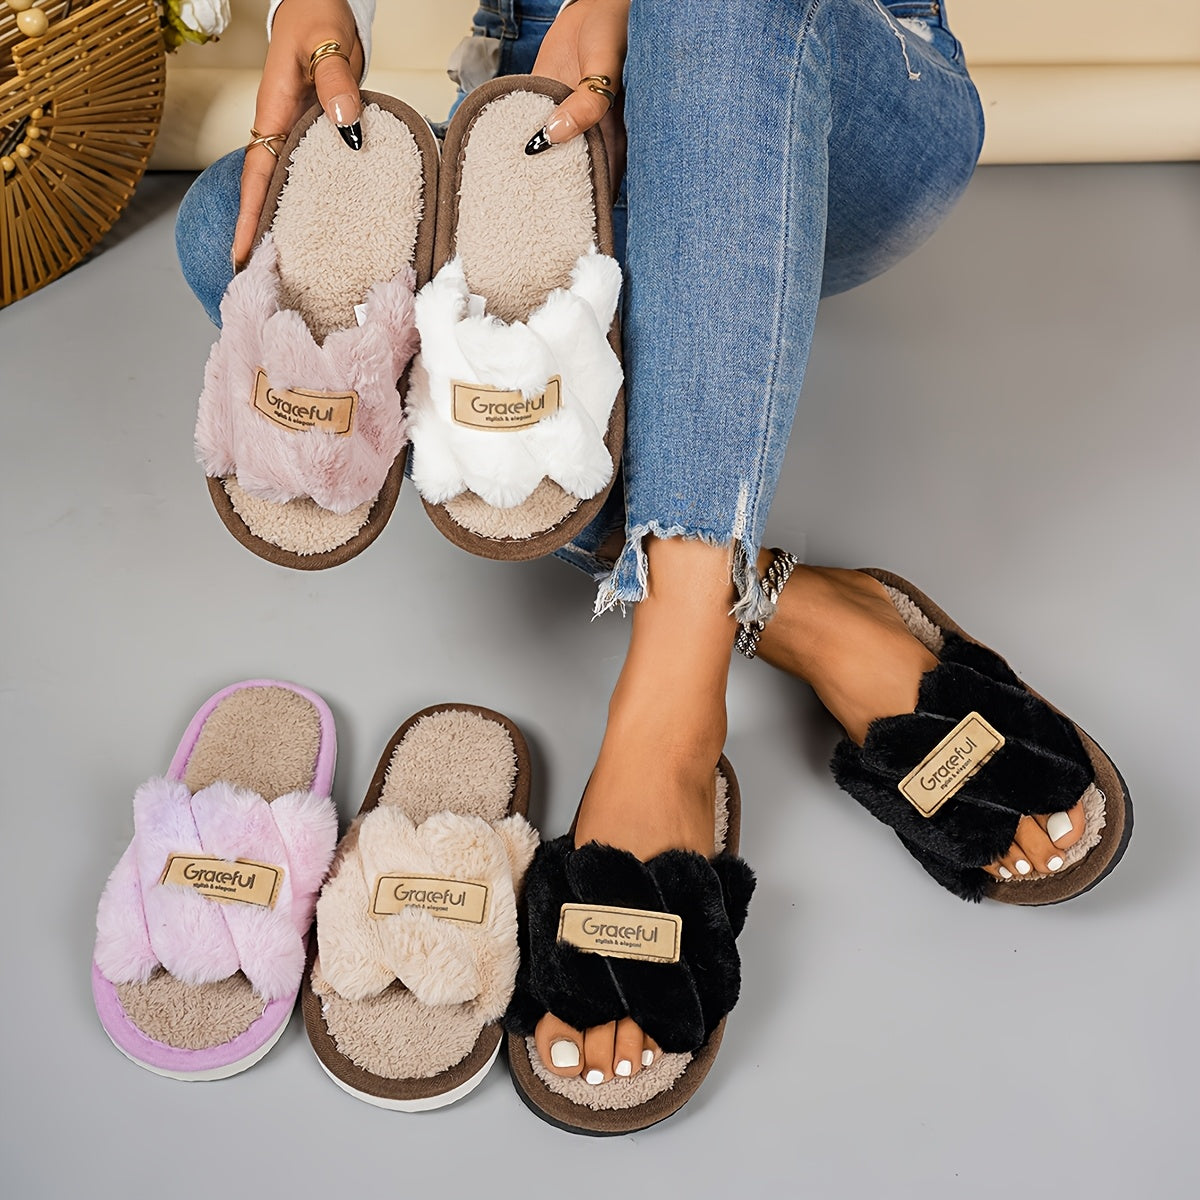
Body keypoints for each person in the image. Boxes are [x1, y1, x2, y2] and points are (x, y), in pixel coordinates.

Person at [176, 0, 1098, 1089]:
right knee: (223, 230)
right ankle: (774, 602)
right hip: (553, 117)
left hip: (799, 67)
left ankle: (668, 716)